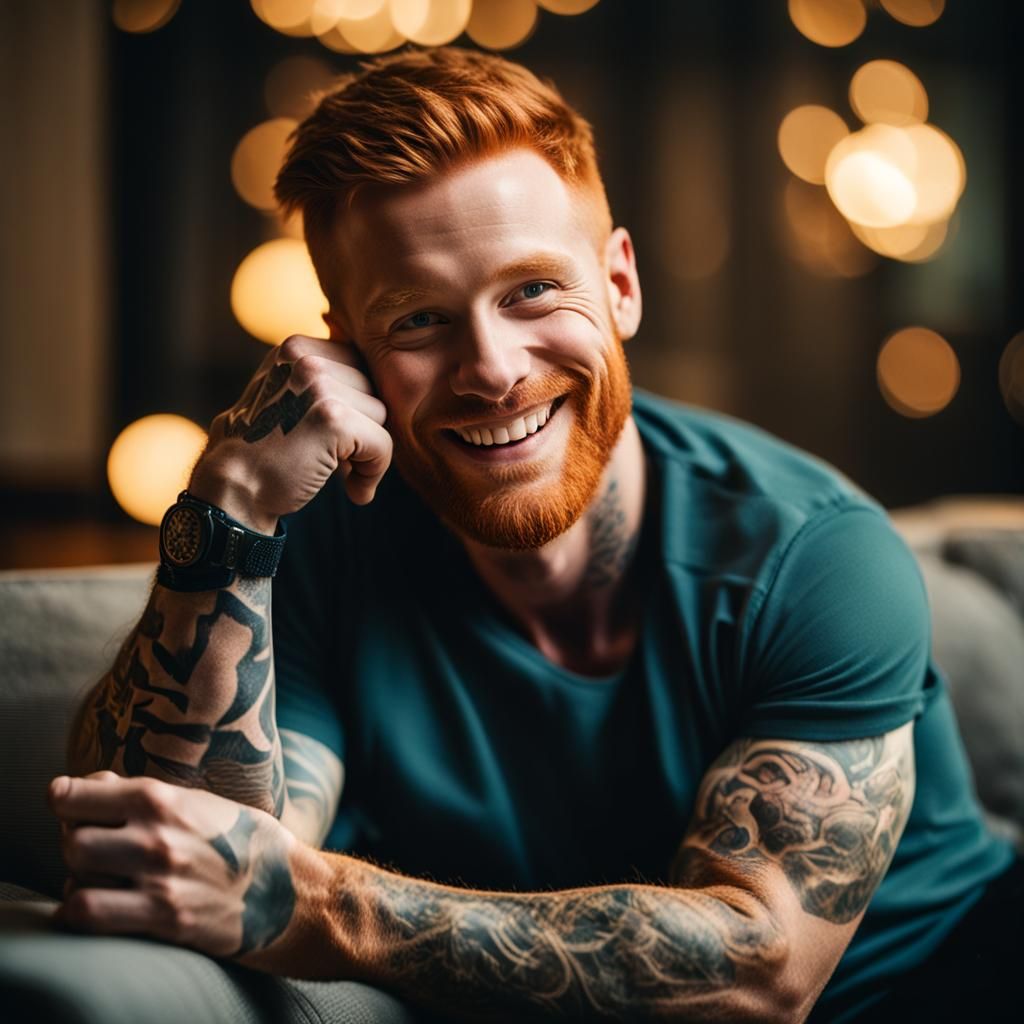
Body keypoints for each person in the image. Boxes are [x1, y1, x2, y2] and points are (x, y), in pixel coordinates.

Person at [53, 46, 1019, 1022]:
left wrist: (318, 907)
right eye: (419, 319)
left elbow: (759, 974)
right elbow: (167, 857)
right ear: (343, 348)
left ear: (620, 285)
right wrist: (225, 509)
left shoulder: (815, 556)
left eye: (531, 292)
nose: (492, 369)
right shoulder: (309, 543)